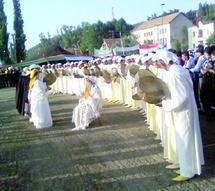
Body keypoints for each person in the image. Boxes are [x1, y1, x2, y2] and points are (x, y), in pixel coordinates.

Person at [154, 50, 204, 182]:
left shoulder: (175, 72)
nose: (156, 64)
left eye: (157, 62)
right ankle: (187, 167)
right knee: (184, 140)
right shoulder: (176, 70)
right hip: (184, 110)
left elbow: (181, 97)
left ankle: (187, 171)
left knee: (185, 141)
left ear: (163, 61)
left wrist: (164, 104)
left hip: (183, 111)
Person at [72, 66, 102, 130]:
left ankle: (85, 123)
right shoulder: (87, 86)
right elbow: (85, 95)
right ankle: (79, 123)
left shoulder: (95, 88)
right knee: (77, 108)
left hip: (93, 102)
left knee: (87, 109)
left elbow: (97, 98)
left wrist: (89, 100)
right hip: (87, 101)